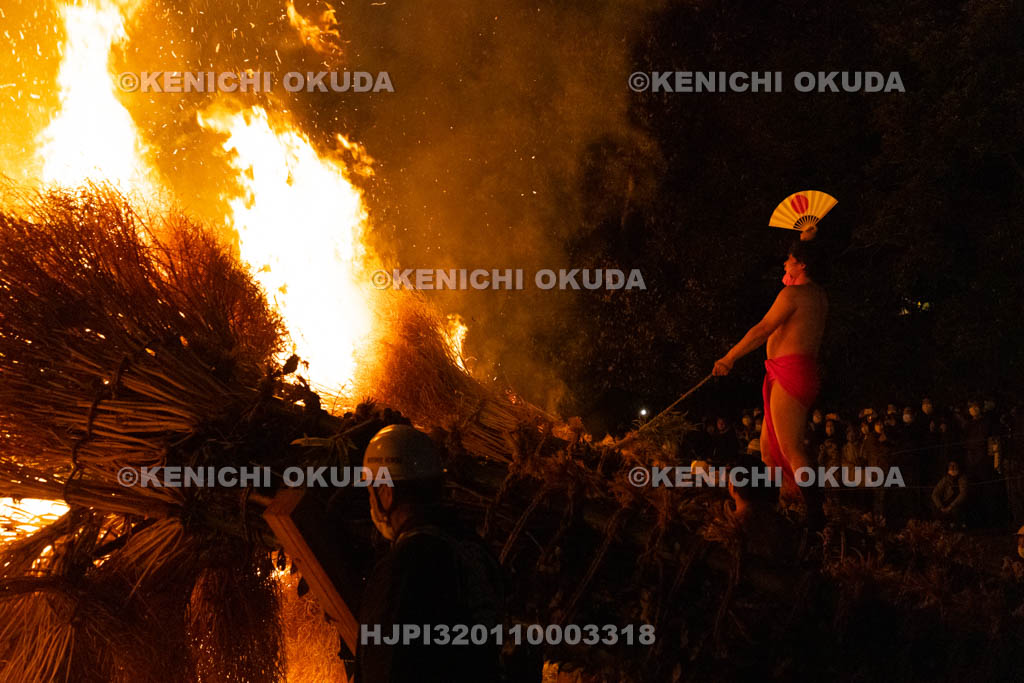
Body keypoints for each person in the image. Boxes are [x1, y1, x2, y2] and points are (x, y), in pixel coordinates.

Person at [356, 425, 505, 683]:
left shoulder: (403, 569)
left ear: (387, 493)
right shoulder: (473, 550)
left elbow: (386, 667)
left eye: (372, 490)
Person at [713, 239, 828, 528]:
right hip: (793, 372)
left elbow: (763, 329)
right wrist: (805, 240)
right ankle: (775, 507)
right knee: (767, 449)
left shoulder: (794, 295)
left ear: (802, 264)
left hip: (791, 371)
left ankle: (815, 515)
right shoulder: (818, 294)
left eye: (790, 259)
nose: (785, 263)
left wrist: (730, 357)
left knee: (790, 448)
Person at [931, 460, 968, 527]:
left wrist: (951, 506)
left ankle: (958, 524)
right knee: (935, 507)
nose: (953, 468)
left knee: (956, 511)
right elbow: (935, 494)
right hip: (945, 504)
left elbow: (963, 494)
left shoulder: (962, 478)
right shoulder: (945, 479)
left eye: (954, 465)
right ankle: (942, 523)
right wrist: (940, 506)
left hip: (957, 504)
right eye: (951, 466)